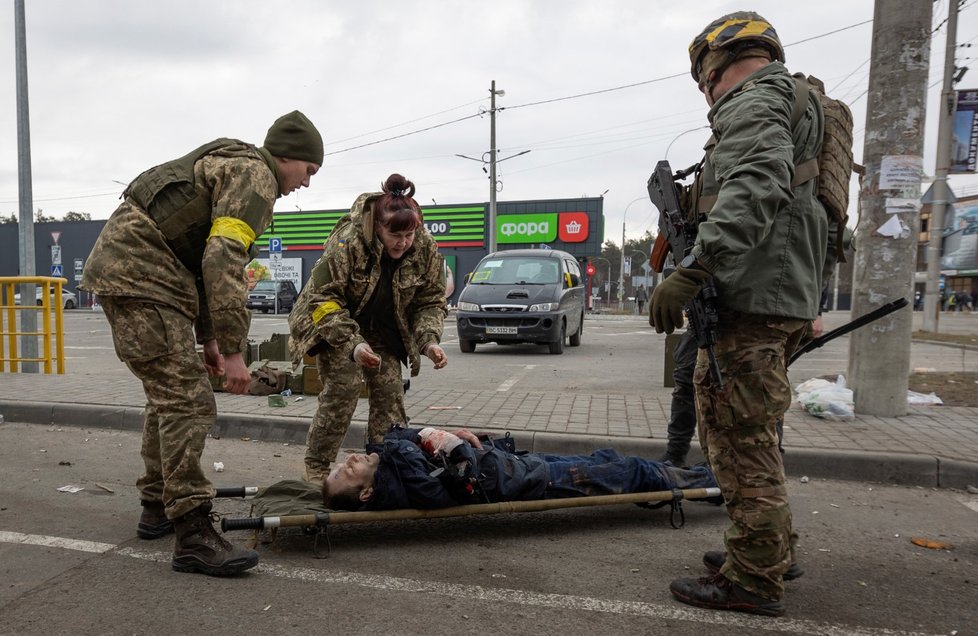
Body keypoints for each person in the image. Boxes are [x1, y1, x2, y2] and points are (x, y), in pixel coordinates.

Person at [79, 111, 324, 576]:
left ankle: (157, 507)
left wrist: (209, 338)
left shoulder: (235, 165)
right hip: (142, 278)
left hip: (139, 276)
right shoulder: (256, 177)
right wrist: (234, 352)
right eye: (309, 171)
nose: (307, 184)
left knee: (168, 398)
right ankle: (193, 532)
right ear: (288, 156)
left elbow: (199, 257)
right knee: (189, 402)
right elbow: (222, 258)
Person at [651, 12, 834, 617]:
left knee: (737, 435)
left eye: (704, 75)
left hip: (749, 298)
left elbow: (753, 186)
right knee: (750, 432)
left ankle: (754, 577)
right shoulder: (796, 103)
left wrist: (691, 272)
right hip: (775, 294)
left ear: (714, 65)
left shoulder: (755, 101)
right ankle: (766, 547)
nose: (705, 87)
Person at [289, 174, 449, 485]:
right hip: (333, 323)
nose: (403, 243)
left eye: (409, 235)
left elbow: (430, 300)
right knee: (344, 387)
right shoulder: (348, 242)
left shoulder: (425, 247)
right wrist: (353, 345)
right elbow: (324, 299)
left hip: (384, 328)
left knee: (390, 394)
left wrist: (428, 342)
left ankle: (386, 464)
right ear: (377, 227)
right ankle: (318, 467)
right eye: (394, 235)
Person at [321, 426, 722, 512]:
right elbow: (446, 483)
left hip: (515, 465)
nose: (347, 461)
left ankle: (694, 475)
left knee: (608, 460)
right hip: (529, 479)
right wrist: (428, 438)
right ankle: (711, 481)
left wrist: (423, 437)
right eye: (343, 473)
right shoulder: (405, 485)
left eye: (340, 463)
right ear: (365, 493)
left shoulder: (392, 466)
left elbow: (393, 433)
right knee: (627, 471)